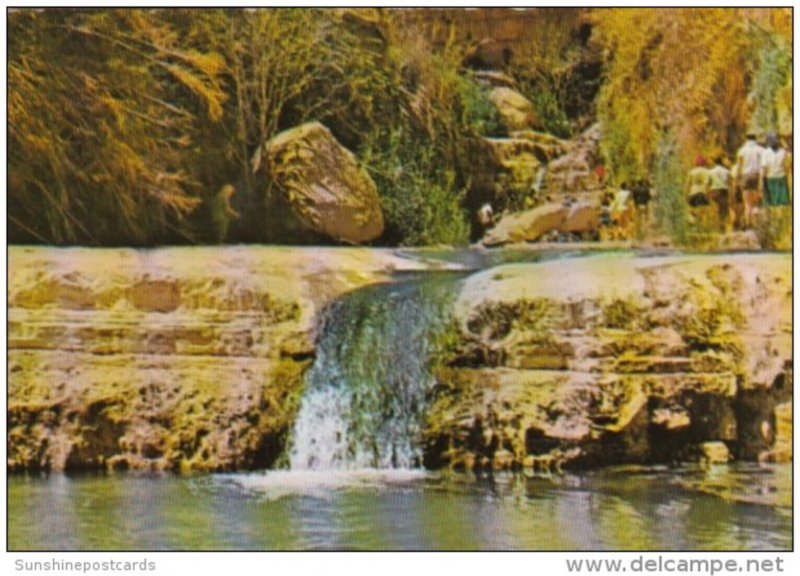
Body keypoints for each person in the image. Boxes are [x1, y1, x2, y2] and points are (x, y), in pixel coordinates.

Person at [736, 133, 765, 226]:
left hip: (746, 176)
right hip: (757, 176)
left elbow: (739, 167)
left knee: (747, 203)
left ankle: (748, 224)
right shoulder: (761, 150)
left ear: (746, 139)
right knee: (756, 203)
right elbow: (763, 165)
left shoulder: (742, 150)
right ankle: (756, 224)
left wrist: (738, 179)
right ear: (755, 139)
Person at [761, 132, 791, 207]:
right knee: (782, 202)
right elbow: (786, 166)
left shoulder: (765, 153)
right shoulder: (783, 152)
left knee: (772, 202)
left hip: (770, 178)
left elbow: (764, 168)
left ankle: (776, 217)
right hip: (781, 177)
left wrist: (761, 179)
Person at [707, 156, 733, 232]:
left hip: (714, 190)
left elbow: (708, 183)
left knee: (716, 208)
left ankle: (717, 225)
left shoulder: (710, 172)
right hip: (724, 190)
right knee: (724, 208)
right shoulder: (726, 171)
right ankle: (722, 224)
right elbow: (730, 183)